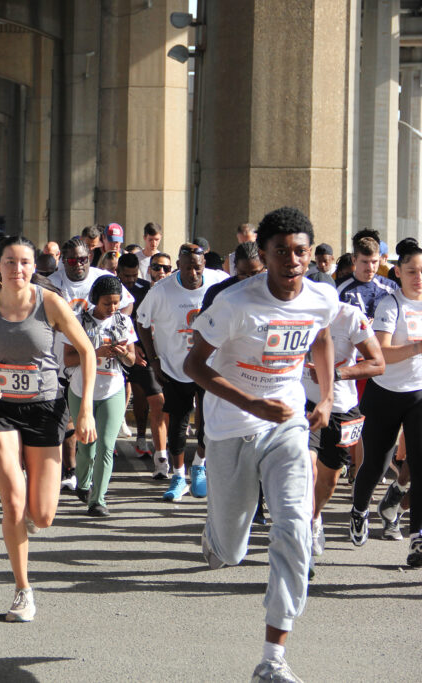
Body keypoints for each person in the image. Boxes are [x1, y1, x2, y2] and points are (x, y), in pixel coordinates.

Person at [184, 206, 337, 683]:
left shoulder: (322, 297)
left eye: (300, 252)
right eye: (281, 252)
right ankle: (215, 535)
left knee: (294, 527)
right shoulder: (234, 304)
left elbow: (322, 337)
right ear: (265, 256)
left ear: (310, 254)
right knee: (231, 551)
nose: (293, 260)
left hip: (287, 424)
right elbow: (194, 366)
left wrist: (326, 396)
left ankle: (272, 659)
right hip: (231, 427)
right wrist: (250, 402)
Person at [0, 235, 97, 622]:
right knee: (12, 502)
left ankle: (28, 510)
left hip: (45, 407)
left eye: (24, 262)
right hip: (0, 408)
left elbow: (87, 351)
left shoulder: (50, 303)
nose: (17, 269)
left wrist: (85, 410)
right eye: (10, 262)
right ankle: (23, 590)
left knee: (42, 515)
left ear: (33, 267)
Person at [348, 237, 422, 568]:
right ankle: (359, 509)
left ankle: (418, 536)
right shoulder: (391, 304)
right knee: (376, 465)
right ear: (398, 272)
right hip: (385, 393)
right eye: (412, 271)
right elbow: (382, 354)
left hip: (419, 394)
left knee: (419, 465)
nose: (418, 277)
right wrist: (418, 347)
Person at [137, 243, 228, 494]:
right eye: (187, 268)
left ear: (204, 265)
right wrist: (154, 359)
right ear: (178, 266)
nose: (193, 273)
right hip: (175, 366)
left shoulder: (219, 282)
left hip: (210, 365)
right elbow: (142, 322)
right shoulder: (161, 291)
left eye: (197, 268)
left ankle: (199, 465)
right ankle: (178, 476)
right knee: (178, 422)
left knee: (209, 422)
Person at [303, 300, 383, 556]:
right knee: (306, 465)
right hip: (301, 402)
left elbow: (378, 363)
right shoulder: (291, 309)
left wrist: (333, 374)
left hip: (341, 407)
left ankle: (315, 517)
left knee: (330, 479)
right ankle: (300, 529)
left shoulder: (350, 316)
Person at [64, 275, 135, 516]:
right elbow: (68, 359)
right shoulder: (77, 321)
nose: (112, 308)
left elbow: (132, 360)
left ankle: (98, 500)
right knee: (86, 446)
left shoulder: (124, 321)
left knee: (106, 445)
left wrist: (123, 353)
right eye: (107, 303)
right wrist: (95, 352)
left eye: (116, 302)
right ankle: (83, 483)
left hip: (112, 389)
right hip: (81, 390)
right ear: (95, 299)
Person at [116, 252, 164, 461]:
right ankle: (110, 440)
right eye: (126, 276)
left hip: (142, 351)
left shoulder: (146, 288)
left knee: (147, 396)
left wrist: (139, 346)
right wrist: (130, 346)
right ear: (117, 272)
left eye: (134, 275)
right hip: (116, 350)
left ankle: (142, 439)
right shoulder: (109, 287)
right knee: (114, 396)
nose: (131, 280)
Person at [336, 230, 398, 319]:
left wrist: (377, 323)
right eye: (365, 262)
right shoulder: (338, 287)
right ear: (354, 260)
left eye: (374, 262)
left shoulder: (391, 288)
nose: (370, 267)